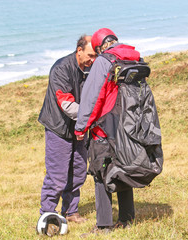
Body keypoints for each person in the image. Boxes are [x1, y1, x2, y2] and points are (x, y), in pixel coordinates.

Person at [75, 28, 142, 233]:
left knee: (100, 172)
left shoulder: (104, 61)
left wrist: (81, 126)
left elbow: (92, 98)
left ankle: (104, 225)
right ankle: (127, 219)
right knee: (122, 169)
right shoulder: (134, 58)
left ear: (99, 46)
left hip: (104, 127)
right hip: (129, 126)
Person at [38, 35, 97, 223]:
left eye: (95, 56)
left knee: (78, 172)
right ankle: (47, 214)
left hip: (80, 128)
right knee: (57, 176)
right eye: (90, 55)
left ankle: (71, 212)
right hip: (59, 128)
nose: (92, 60)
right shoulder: (61, 68)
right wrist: (91, 116)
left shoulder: (90, 68)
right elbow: (67, 104)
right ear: (79, 50)